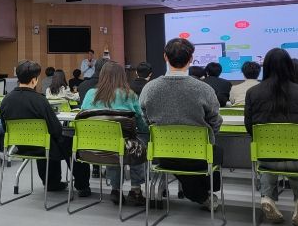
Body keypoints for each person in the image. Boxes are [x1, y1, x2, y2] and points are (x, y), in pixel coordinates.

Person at [140, 38, 222, 210]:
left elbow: (145, 118)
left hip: (164, 155)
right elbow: (215, 121)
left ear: (165, 57)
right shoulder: (204, 89)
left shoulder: (149, 88)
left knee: (183, 161)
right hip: (199, 156)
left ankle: (201, 195)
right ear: (191, 59)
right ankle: (203, 194)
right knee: (216, 152)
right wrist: (207, 137)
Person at [244, 48, 298, 226]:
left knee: (269, 159)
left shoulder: (253, 92)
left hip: (267, 158)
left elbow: (249, 126)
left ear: (266, 67)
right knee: (296, 153)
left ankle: (267, 197)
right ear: (289, 67)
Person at [0, 60, 91, 196]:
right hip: (44, 147)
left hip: (20, 146)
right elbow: (56, 129)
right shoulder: (40, 100)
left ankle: (51, 183)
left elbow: (5, 127)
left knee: (46, 140)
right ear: (34, 80)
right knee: (70, 143)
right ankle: (82, 186)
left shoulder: (6, 100)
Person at [81, 61, 149, 206]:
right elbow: (141, 123)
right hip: (122, 146)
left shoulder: (90, 94)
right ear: (122, 76)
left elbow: (82, 118)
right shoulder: (129, 95)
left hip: (93, 146)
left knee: (114, 144)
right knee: (137, 145)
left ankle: (115, 190)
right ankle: (135, 190)